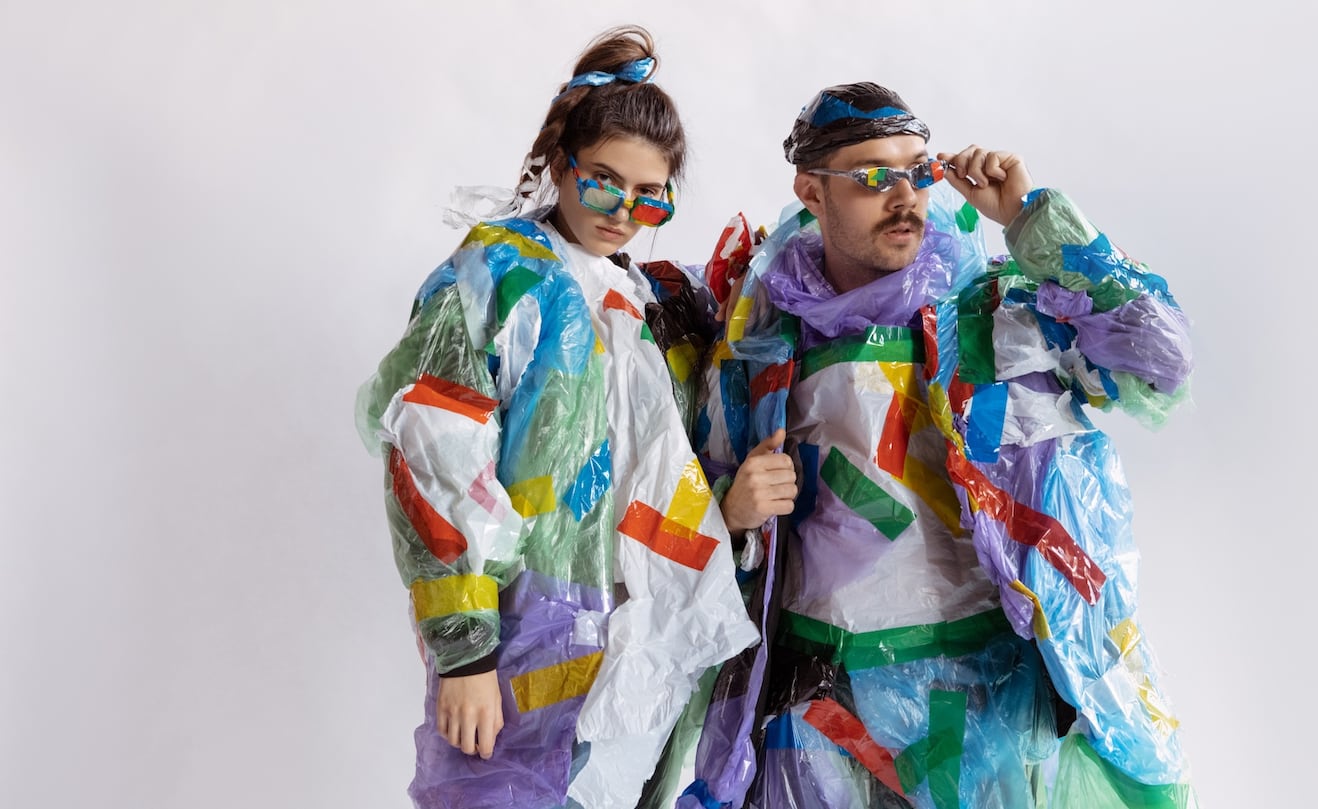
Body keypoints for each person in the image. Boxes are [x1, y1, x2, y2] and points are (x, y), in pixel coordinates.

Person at [683, 82, 1198, 808]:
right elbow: (683, 525)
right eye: (872, 177)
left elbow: (1161, 358)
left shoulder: (998, 317)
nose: (905, 197)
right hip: (815, 714)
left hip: (981, 703)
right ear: (812, 190)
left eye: (918, 172)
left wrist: (1029, 220)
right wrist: (731, 515)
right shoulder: (761, 343)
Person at [354, 26, 794, 809]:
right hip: (524, 635)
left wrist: (724, 515)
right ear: (560, 163)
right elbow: (436, 457)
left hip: (634, 643)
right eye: (602, 183)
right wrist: (464, 653)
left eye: (649, 194)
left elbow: (655, 466)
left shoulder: (642, 302)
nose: (624, 210)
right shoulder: (502, 275)